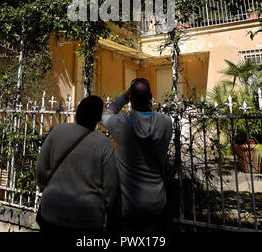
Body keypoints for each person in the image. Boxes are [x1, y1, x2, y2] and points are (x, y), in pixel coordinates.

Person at [36, 95, 117, 236]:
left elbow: (41, 170)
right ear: (98, 118)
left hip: (52, 212)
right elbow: (110, 186)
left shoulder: (58, 131)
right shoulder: (103, 143)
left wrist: (47, 188)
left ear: (78, 112)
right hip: (87, 218)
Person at [102, 78, 172, 235]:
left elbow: (107, 113)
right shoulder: (166, 122)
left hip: (128, 203)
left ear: (130, 98)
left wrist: (123, 97)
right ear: (151, 97)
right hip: (156, 199)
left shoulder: (121, 123)